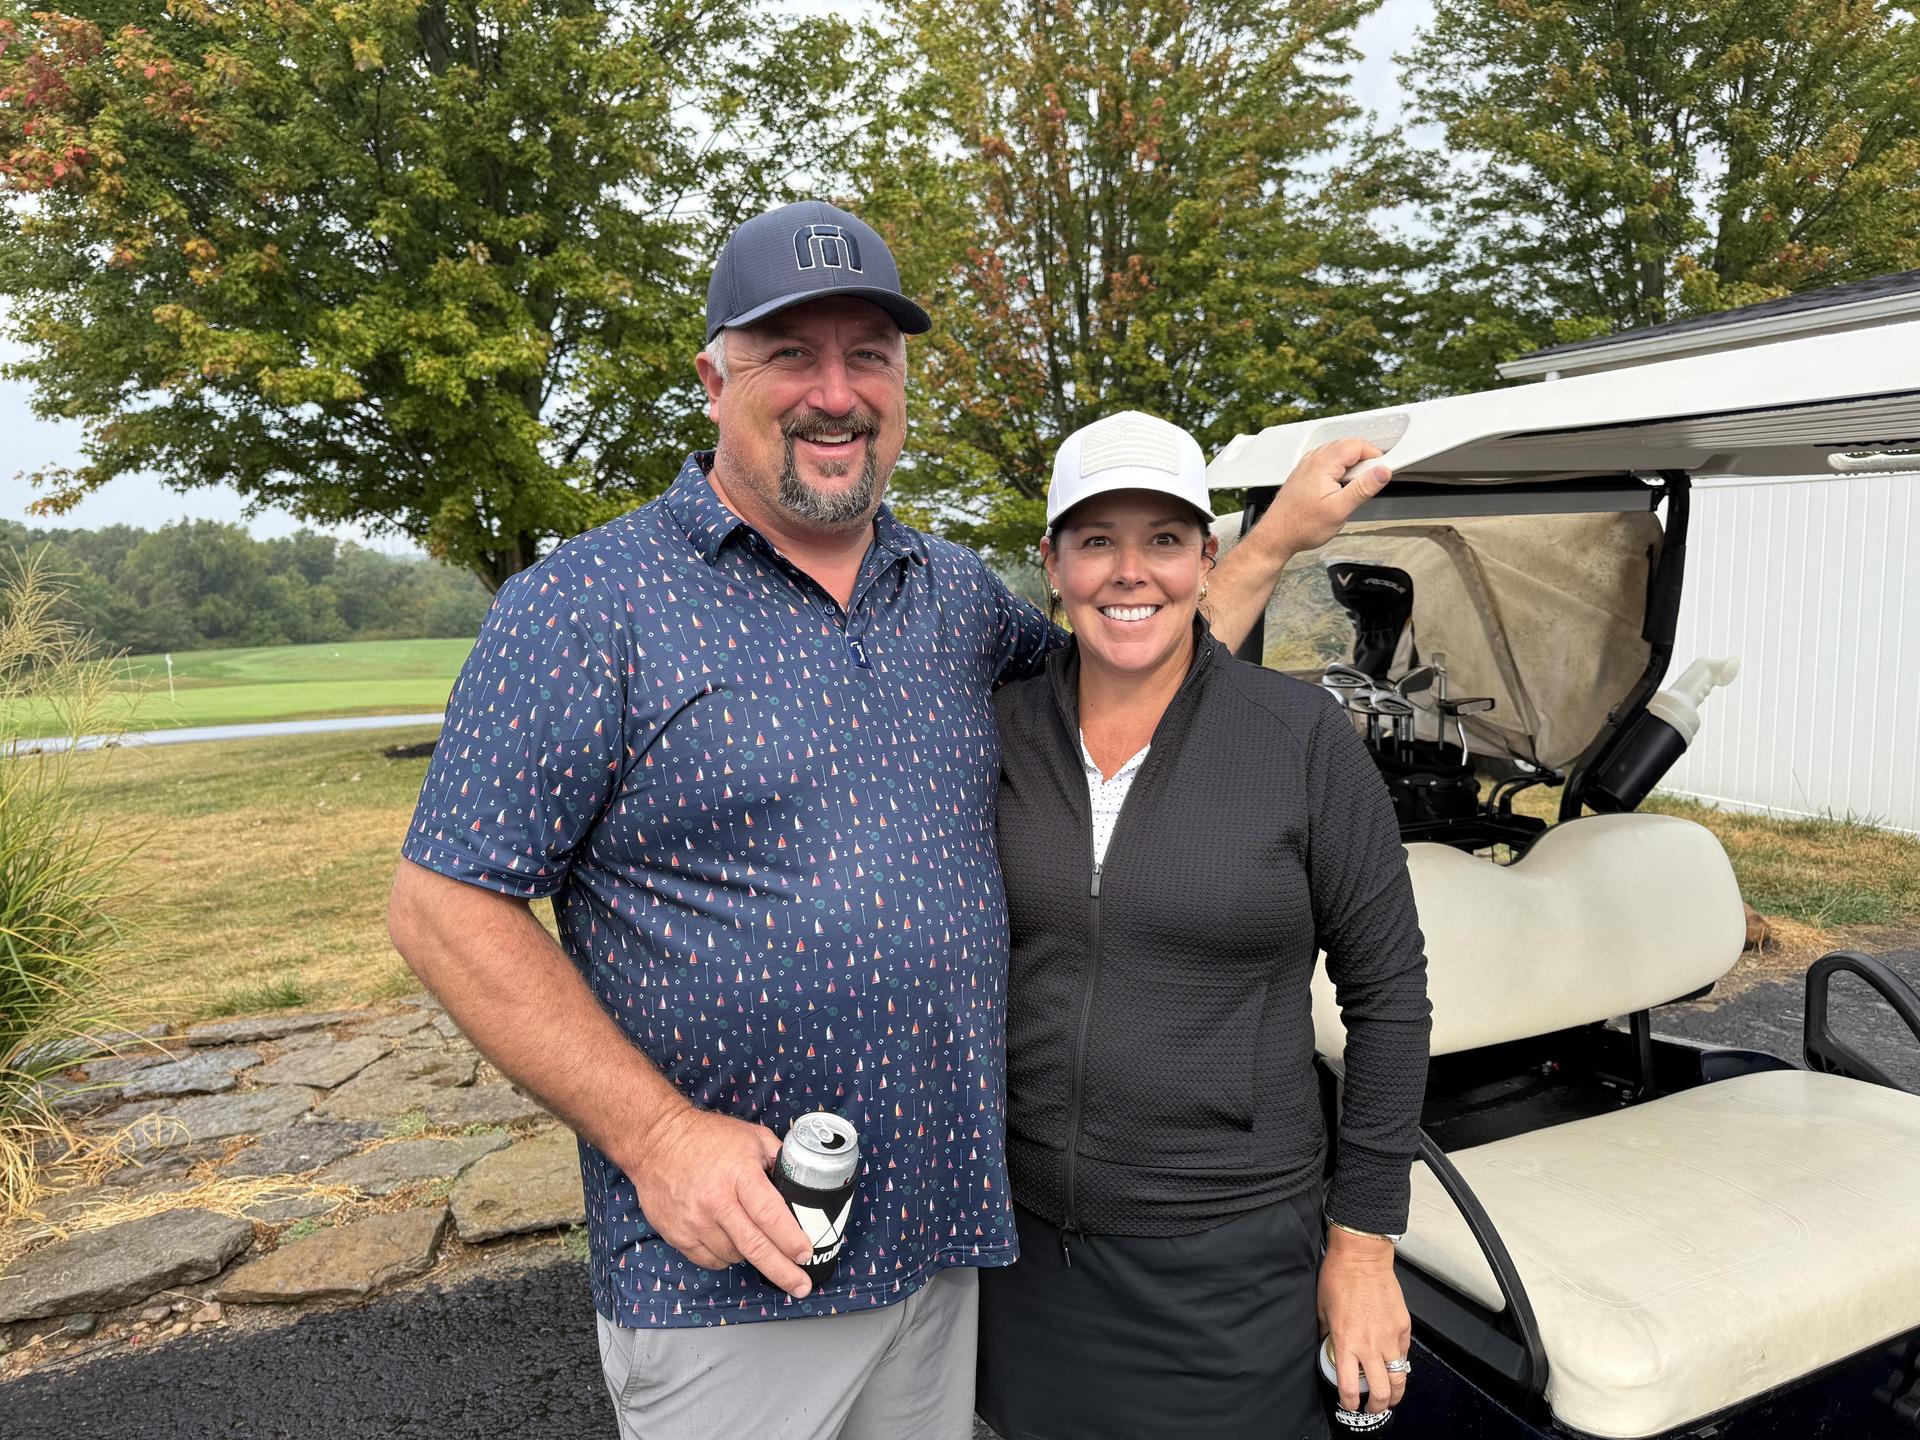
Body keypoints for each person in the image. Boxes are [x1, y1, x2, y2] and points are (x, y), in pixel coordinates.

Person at [385, 200, 1394, 1440]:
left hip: (954, 1253)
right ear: (714, 380)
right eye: (790, 354)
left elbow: (1142, 653)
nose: (834, 391)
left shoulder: (953, 595)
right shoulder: (589, 605)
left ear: (902, 379)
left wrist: (1272, 540)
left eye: (868, 353)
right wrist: (657, 1138)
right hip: (733, 1276)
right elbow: (442, 904)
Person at [978, 411, 1431, 1440]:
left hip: (1228, 1260)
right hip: (1026, 1250)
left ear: (1206, 559)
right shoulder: (997, 731)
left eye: (1165, 540)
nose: (1129, 572)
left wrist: (1363, 1250)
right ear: (1052, 564)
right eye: (1096, 541)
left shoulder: (1298, 738)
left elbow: (1391, 1003)